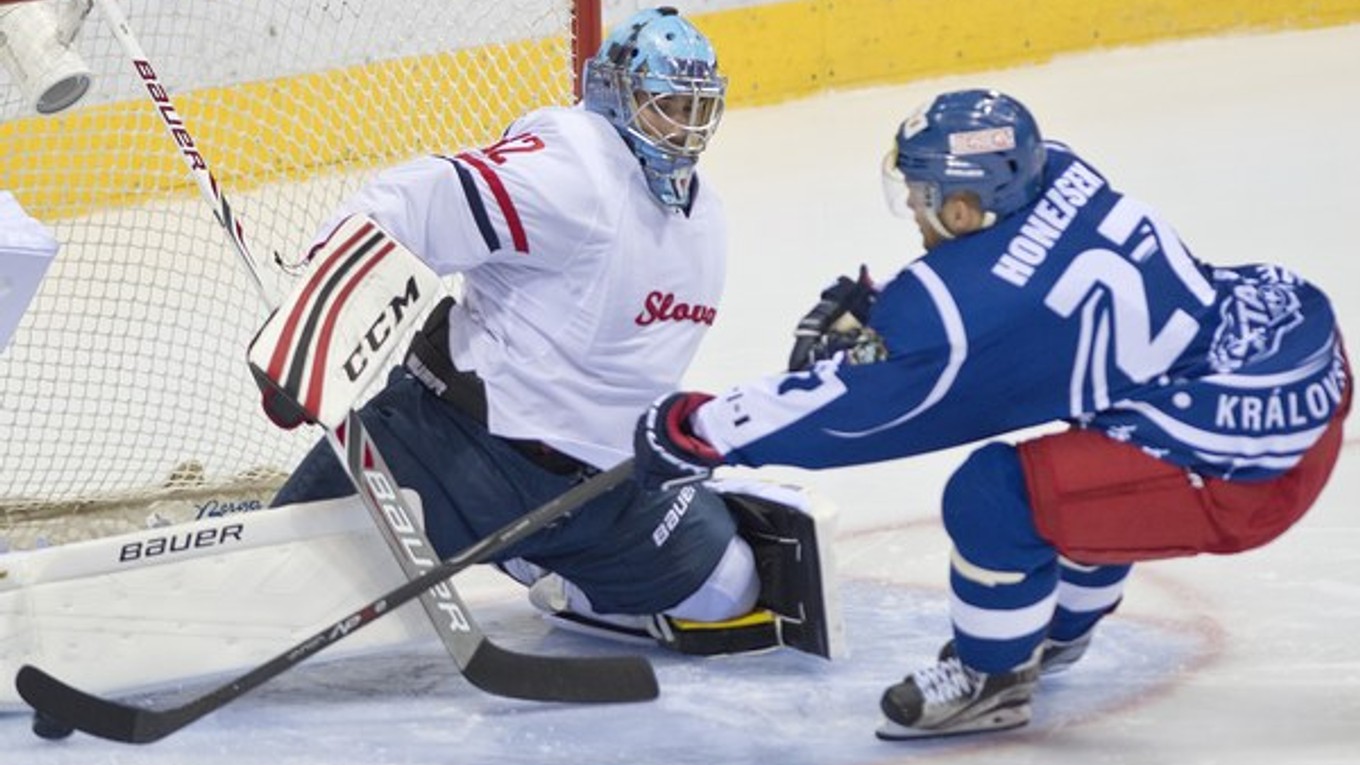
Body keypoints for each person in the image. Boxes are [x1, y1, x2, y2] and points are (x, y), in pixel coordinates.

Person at [631, 88, 1351, 736]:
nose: (912, 207)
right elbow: (1023, 276)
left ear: (964, 207)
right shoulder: (1059, 170)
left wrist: (701, 427)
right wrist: (890, 315)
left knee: (996, 496)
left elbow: (861, 413)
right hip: (1283, 361)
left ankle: (992, 677)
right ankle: (1061, 629)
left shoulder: (973, 313)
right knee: (1099, 443)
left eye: (921, 193)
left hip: (1245, 470)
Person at [271, 7, 840, 659]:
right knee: (272, 591)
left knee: (729, 588)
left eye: (694, 106)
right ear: (614, 98)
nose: (683, 127)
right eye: (665, 105)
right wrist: (315, 326)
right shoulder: (572, 165)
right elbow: (415, 203)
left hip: (606, 491)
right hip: (455, 452)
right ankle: (489, 540)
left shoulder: (705, 217)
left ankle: (541, 563)